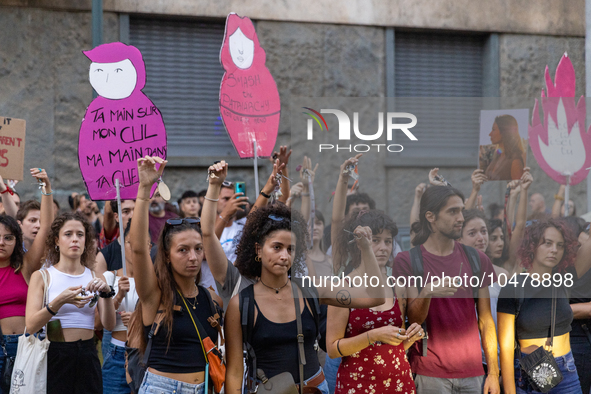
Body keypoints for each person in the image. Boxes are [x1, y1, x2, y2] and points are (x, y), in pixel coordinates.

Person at [203, 160, 386, 394]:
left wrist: (367, 249)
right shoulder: (242, 303)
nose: (284, 256)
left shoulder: (311, 290)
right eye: (277, 247)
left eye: (291, 249)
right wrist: (214, 186)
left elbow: (376, 297)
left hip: (317, 388)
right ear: (258, 250)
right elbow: (235, 371)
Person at [394, 185, 500, 394]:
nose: (460, 217)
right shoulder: (408, 260)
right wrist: (427, 292)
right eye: (452, 211)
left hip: (473, 373)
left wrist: (494, 373)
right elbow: (412, 320)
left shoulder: (478, 259)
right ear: (430, 217)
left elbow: (486, 320)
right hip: (428, 372)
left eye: (461, 210)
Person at [128, 156, 219, 394]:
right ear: (166, 256)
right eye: (183, 250)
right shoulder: (155, 296)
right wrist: (144, 188)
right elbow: (138, 247)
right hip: (162, 388)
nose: (193, 257)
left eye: (198, 249)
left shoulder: (211, 299)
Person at [327, 210, 423, 393]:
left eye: (388, 241)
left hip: (399, 381)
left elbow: (397, 343)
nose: (384, 247)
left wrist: (411, 337)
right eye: (376, 240)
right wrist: (373, 336)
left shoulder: (396, 286)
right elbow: (332, 348)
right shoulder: (343, 287)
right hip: (358, 384)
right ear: (359, 243)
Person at [25, 211, 115, 394]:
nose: (75, 239)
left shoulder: (95, 275)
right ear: (57, 241)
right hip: (55, 352)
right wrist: (59, 302)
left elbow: (109, 324)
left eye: (80, 235)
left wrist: (106, 294)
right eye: (68, 234)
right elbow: (31, 325)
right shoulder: (42, 277)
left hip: (88, 353)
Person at [497, 218, 591, 394]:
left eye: (560, 245)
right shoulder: (513, 288)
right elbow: (506, 348)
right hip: (530, 371)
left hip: (567, 369)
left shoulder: (564, 279)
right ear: (532, 246)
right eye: (547, 243)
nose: (554, 250)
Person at [0, 169, 53, 394]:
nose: (1, 242)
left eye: (8, 237)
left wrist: (46, 189)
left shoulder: (26, 266)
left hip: (24, 346)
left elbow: (47, 228)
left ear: (17, 239)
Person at [102, 220, 141, 394]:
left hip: (146, 353)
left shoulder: (155, 281)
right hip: (118, 352)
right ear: (122, 244)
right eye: (130, 243)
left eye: (141, 242)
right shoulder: (109, 278)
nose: (135, 248)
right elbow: (106, 324)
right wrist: (118, 296)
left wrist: (137, 320)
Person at [482, 115, 525, 181]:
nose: (490, 134)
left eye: (493, 130)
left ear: (504, 132)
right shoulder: (497, 156)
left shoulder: (515, 161)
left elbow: (518, 189)